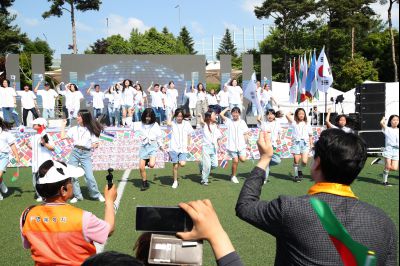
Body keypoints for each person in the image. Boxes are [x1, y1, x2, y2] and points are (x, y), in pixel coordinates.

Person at [236, 128, 397, 266]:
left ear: (317, 163)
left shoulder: (289, 208)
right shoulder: (384, 222)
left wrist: (265, 158)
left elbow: (245, 206)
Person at [20, 159, 117, 266]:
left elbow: (29, 245)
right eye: (70, 181)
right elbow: (109, 230)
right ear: (63, 190)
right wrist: (109, 201)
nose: (72, 184)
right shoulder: (82, 218)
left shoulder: (27, 214)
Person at [61, 109, 105, 203]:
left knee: (89, 176)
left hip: (86, 154)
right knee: (73, 176)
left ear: (84, 117)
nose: (77, 117)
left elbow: (96, 143)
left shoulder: (92, 130)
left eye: (79, 116)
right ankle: (77, 196)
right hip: (75, 153)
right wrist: (63, 125)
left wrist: (94, 145)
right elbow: (62, 136)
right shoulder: (73, 129)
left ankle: (96, 194)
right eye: (77, 115)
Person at [23, 118, 55, 202]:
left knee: (46, 180)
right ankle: (39, 195)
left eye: (35, 124)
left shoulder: (46, 135)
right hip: (35, 163)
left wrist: (44, 143)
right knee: (35, 180)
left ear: (40, 125)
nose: (33, 125)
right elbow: (33, 148)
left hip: (44, 162)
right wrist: (27, 144)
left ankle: (47, 195)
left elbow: (52, 148)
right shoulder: (34, 136)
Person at [135, 108, 164, 191]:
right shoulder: (140, 124)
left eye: (149, 117)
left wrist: (161, 146)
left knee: (151, 165)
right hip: (144, 146)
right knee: (141, 167)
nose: (148, 118)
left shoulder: (155, 125)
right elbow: (130, 125)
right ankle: (144, 183)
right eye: (146, 116)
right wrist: (130, 115)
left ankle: (148, 161)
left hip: (152, 146)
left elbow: (159, 137)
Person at [220, 107, 250, 184]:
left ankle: (233, 173)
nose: (235, 114)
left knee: (243, 159)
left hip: (241, 146)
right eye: (233, 112)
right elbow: (221, 114)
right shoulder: (229, 121)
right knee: (235, 161)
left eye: (237, 112)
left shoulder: (242, 122)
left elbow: (246, 133)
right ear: (231, 113)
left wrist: (248, 144)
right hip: (232, 146)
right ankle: (233, 176)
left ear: (239, 114)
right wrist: (227, 109)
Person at [166, 108, 194, 189]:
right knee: (175, 166)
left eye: (181, 116)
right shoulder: (173, 123)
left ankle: (177, 164)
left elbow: (189, 134)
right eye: (178, 116)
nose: (179, 118)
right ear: (175, 116)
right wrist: (171, 116)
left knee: (182, 163)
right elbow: (168, 123)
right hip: (173, 148)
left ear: (183, 116)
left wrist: (188, 143)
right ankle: (175, 181)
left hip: (183, 148)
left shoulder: (187, 123)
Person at [286, 108, 313, 182]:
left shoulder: (307, 123)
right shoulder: (294, 122)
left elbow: (310, 135)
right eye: (299, 113)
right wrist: (291, 112)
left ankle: (300, 170)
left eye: (303, 114)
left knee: (304, 161)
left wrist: (311, 144)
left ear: (305, 115)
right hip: (296, 143)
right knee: (296, 159)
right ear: (297, 115)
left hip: (305, 143)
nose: (301, 115)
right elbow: (287, 115)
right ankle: (296, 175)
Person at [257, 109, 282, 184]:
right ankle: (265, 179)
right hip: (266, 145)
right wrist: (260, 108)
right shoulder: (264, 124)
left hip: (274, 146)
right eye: (268, 114)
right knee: (267, 162)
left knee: (278, 160)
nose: (270, 116)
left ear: (274, 115)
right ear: (266, 116)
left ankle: (264, 164)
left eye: (271, 114)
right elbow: (258, 119)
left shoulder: (277, 123)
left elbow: (280, 132)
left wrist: (279, 138)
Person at [198, 110, 222, 185]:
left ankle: (201, 166)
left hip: (214, 148)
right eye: (214, 115)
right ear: (209, 117)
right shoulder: (205, 125)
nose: (215, 116)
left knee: (214, 165)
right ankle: (204, 180)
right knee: (207, 166)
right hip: (206, 148)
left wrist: (220, 148)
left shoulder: (216, 126)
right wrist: (200, 116)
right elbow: (202, 121)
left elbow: (218, 138)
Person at [0, 117, 21, 200]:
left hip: (3, 156)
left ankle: (1, 183)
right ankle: (1, 184)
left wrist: (17, 156)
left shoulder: (6, 133)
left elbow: (12, 145)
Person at [378, 115, 399, 187]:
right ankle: (385, 182)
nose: (395, 121)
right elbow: (381, 123)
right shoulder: (387, 129)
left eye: (397, 120)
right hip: (389, 149)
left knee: (394, 168)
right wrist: (384, 118)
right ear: (390, 121)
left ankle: (380, 161)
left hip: (397, 151)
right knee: (387, 167)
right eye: (394, 120)